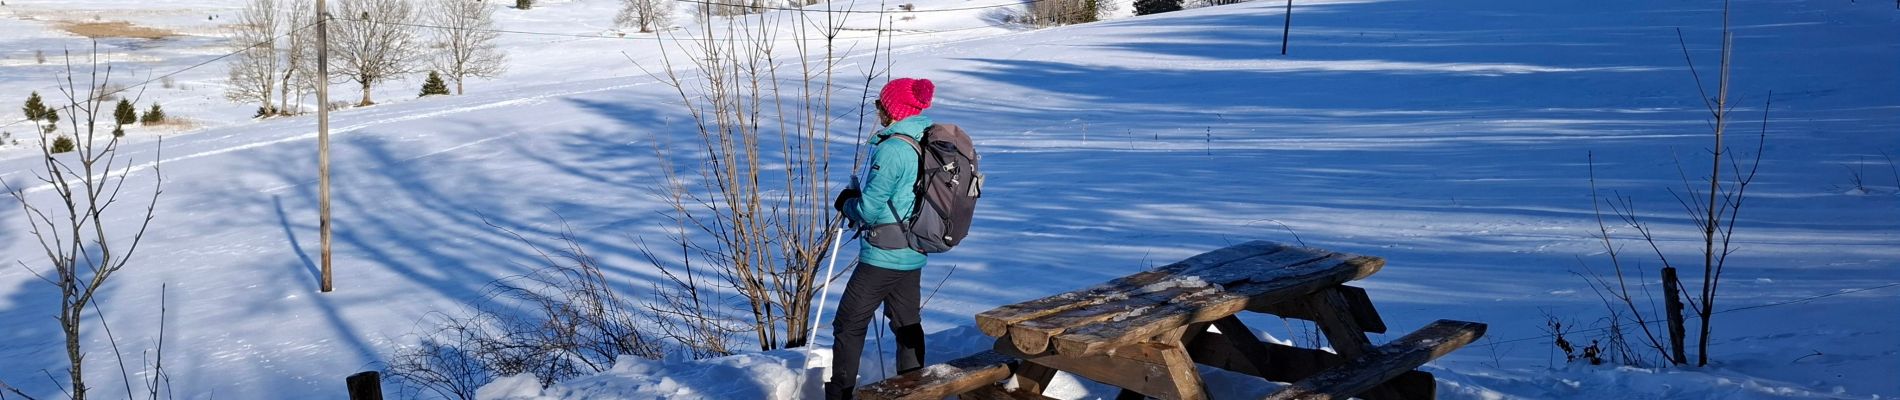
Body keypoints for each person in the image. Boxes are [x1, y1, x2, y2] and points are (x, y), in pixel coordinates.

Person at [826, 77, 938, 400]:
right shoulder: (924, 141)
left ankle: (840, 395)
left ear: (893, 110)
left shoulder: (892, 150)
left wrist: (847, 202)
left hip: (882, 256)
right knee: (907, 325)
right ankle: (916, 390)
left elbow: (870, 209)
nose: (878, 111)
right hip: (913, 251)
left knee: (848, 325)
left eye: (881, 105)